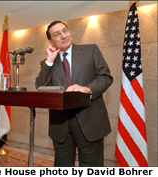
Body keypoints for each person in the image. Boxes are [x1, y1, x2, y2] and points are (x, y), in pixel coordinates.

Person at [35, 20, 113, 167]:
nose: (64, 36)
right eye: (57, 34)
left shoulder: (91, 50)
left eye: (65, 30)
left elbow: (106, 77)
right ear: (50, 40)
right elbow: (40, 87)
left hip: (89, 119)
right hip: (61, 124)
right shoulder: (48, 62)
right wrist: (49, 61)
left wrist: (88, 88)